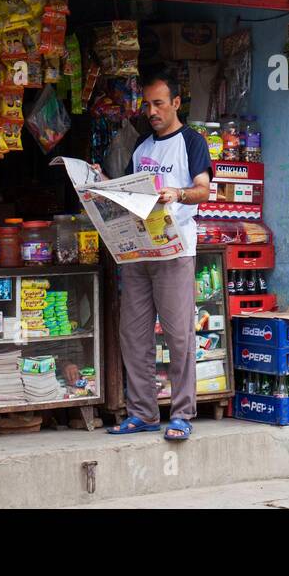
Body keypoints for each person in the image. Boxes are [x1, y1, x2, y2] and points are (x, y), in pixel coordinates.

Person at [107, 71, 212, 441]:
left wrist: (177, 194)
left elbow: (203, 190)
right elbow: (127, 194)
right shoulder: (141, 149)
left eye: (158, 103)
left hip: (175, 250)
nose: (151, 111)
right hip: (138, 252)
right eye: (147, 104)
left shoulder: (191, 142)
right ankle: (143, 412)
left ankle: (182, 414)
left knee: (179, 335)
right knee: (133, 335)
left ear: (176, 104)